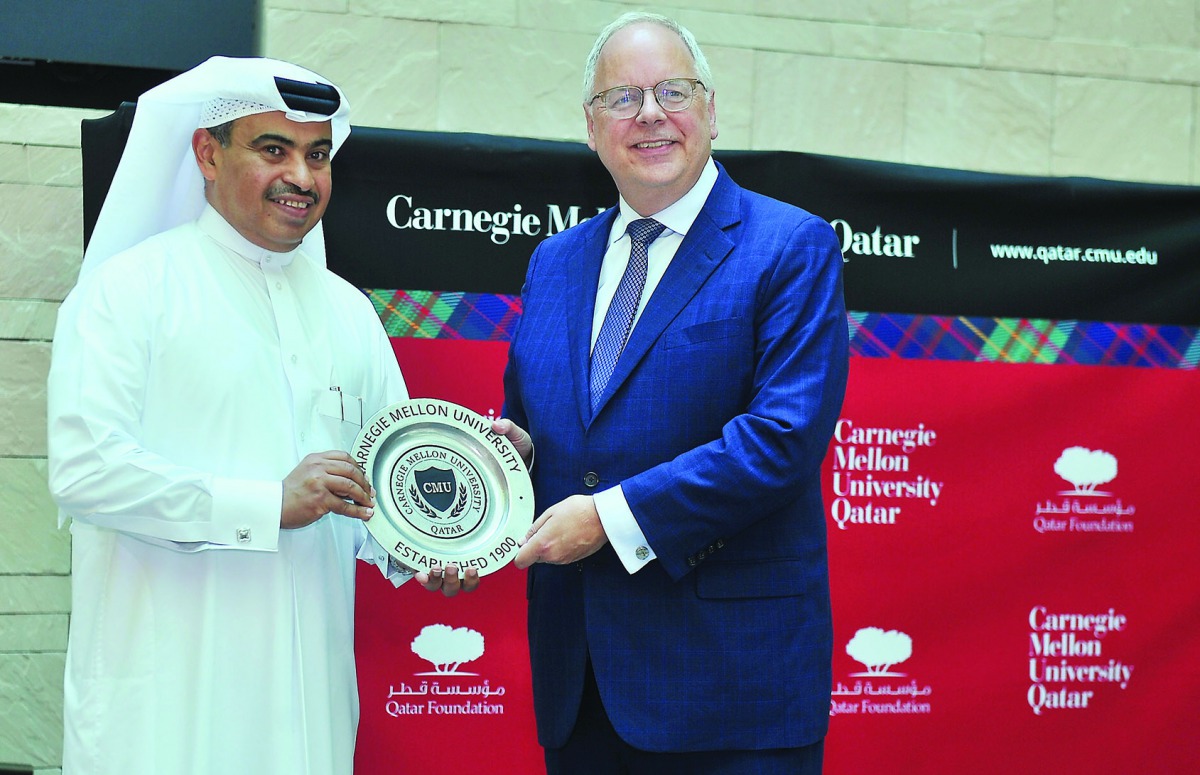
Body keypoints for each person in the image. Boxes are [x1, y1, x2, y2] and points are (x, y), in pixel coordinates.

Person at [46, 57, 480, 775]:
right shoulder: (128, 291)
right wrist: (267, 503)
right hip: (171, 704)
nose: (301, 178)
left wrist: (435, 541)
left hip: (309, 704)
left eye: (317, 155)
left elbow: (382, 493)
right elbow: (85, 471)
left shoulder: (349, 312)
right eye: (272, 149)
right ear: (207, 154)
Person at [504, 12, 849, 773]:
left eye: (673, 90)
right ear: (591, 129)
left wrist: (608, 517)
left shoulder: (790, 246)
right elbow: (530, 427)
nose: (650, 113)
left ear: (713, 111)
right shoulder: (555, 262)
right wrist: (485, 496)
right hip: (582, 685)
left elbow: (780, 441)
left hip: (732, 696)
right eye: (622, 98)